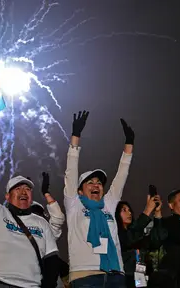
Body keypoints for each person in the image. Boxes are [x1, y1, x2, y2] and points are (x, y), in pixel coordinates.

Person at [0, 136, 60, 288]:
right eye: (18, 188)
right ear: (7, 197)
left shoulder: (41, 223)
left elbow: (51, 260)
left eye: (27, 189)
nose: (23, 192)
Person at [64, 111, 134, 288]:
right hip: (85, 277)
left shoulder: (108, 206)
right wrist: (75, 137)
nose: (96, 185)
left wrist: (129, 145)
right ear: (79, 190)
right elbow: (71, 170)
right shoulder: (74, 204)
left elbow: (121, 176)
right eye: (90, 182)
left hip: (115, 275)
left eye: (99, 183)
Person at [115, 196, 167, 288]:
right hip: (124, 278)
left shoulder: (138, 235)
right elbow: (129, 239)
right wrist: (147, 210)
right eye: (124, 210)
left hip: (142, 277)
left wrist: (157, 213)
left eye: (129, 210)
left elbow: (156, 240)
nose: (129, 213)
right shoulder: (116, 235)